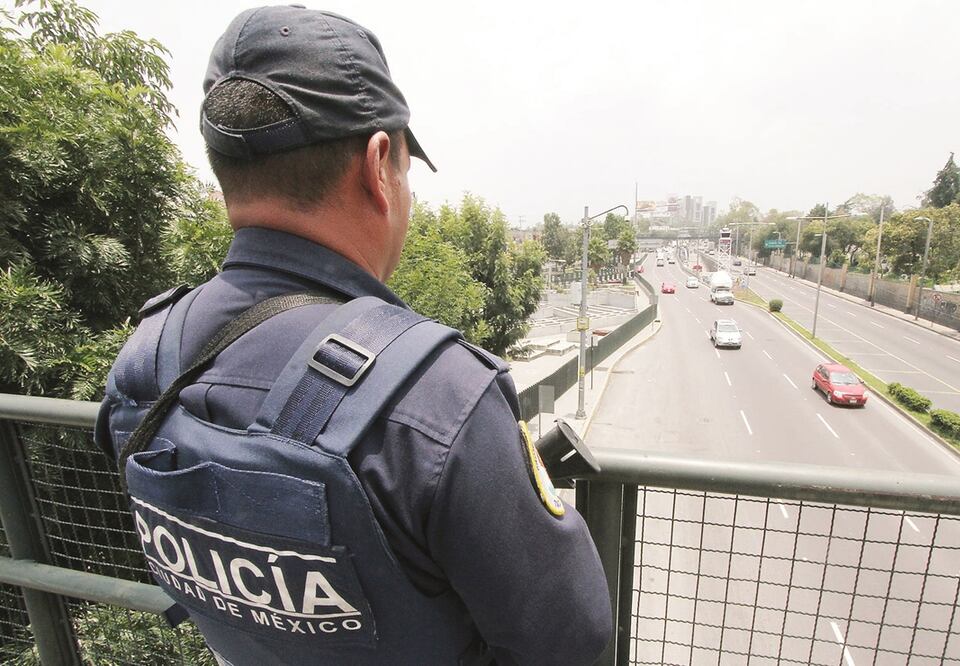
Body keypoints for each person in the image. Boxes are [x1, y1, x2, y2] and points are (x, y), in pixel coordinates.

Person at [94, 6, 611, 665]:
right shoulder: (438, 400)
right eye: (406, 168)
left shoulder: (145, 361)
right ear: (377, 166)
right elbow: (570, 637)